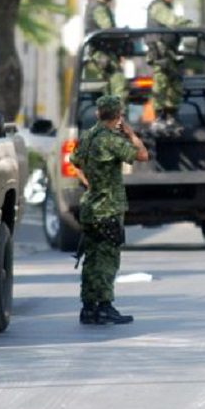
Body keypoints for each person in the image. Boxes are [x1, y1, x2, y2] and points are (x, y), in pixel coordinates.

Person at [69, 94, 149, 325]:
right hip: (109, 209)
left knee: (91, 259)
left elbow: (74, 162)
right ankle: (105, 306)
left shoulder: (87, 136)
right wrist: (132, 134)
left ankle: (88, 308)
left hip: (90, 207)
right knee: (107, 259)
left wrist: (90, 183)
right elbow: (143, 155)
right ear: (118, 117)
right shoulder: (111, 139)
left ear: (97, 114)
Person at [146, 0, 193, 132]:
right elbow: (172, 21)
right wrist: (192, 26)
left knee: (174, 84)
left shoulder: (165, 7)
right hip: (160, 54)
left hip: (169, 53)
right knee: (161, 84)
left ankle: (171, 116)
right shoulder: (158, 7)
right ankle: (159, 117)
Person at [84, 0, 126, 103]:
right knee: (118, 83)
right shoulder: (99, 9)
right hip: (101, 54)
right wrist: (122, 33)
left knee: (109, 90)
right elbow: (107, 29)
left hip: (102, 54)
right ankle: (118, 116)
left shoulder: (99, 7)